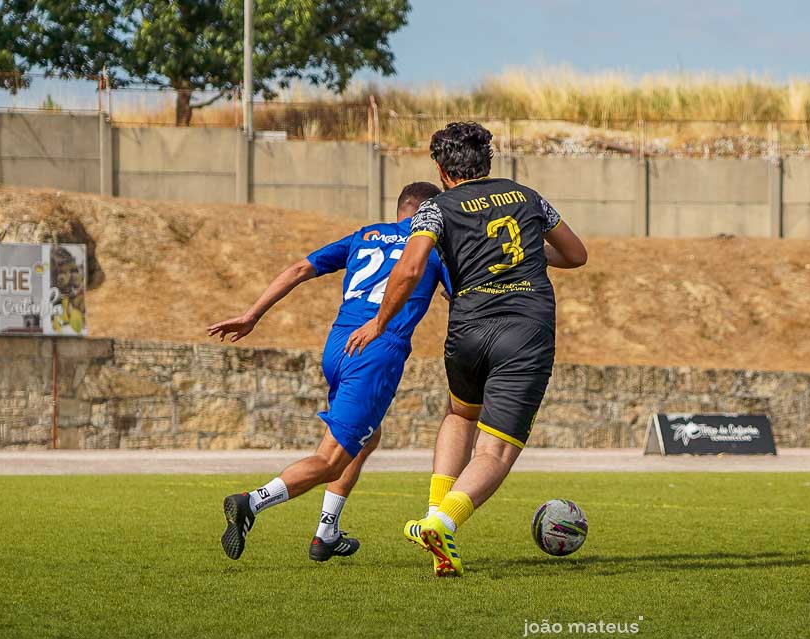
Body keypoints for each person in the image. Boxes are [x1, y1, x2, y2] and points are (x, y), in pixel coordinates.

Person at [342, 121, 588, 577]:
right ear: (487, 161)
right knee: (494, 453)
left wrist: (379, 321)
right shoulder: (527, 197)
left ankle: (432, 516)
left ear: (441, 169)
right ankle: (442, 523)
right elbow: (576, 254)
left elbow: (409, 268)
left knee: (459, 415)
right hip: (524, 332)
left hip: (468, 329)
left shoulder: (434, 209)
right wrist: (531, 256)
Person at [207, 181, 450, 562]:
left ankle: (326, 533)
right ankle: (251, 502)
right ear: (430, 212)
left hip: (338, 346)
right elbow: (458, 294)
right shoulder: (431, 247)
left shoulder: (366, 235)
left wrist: (252, 315)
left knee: (366, 437)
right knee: (331, 459)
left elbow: (299, 268)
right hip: (376, 348)